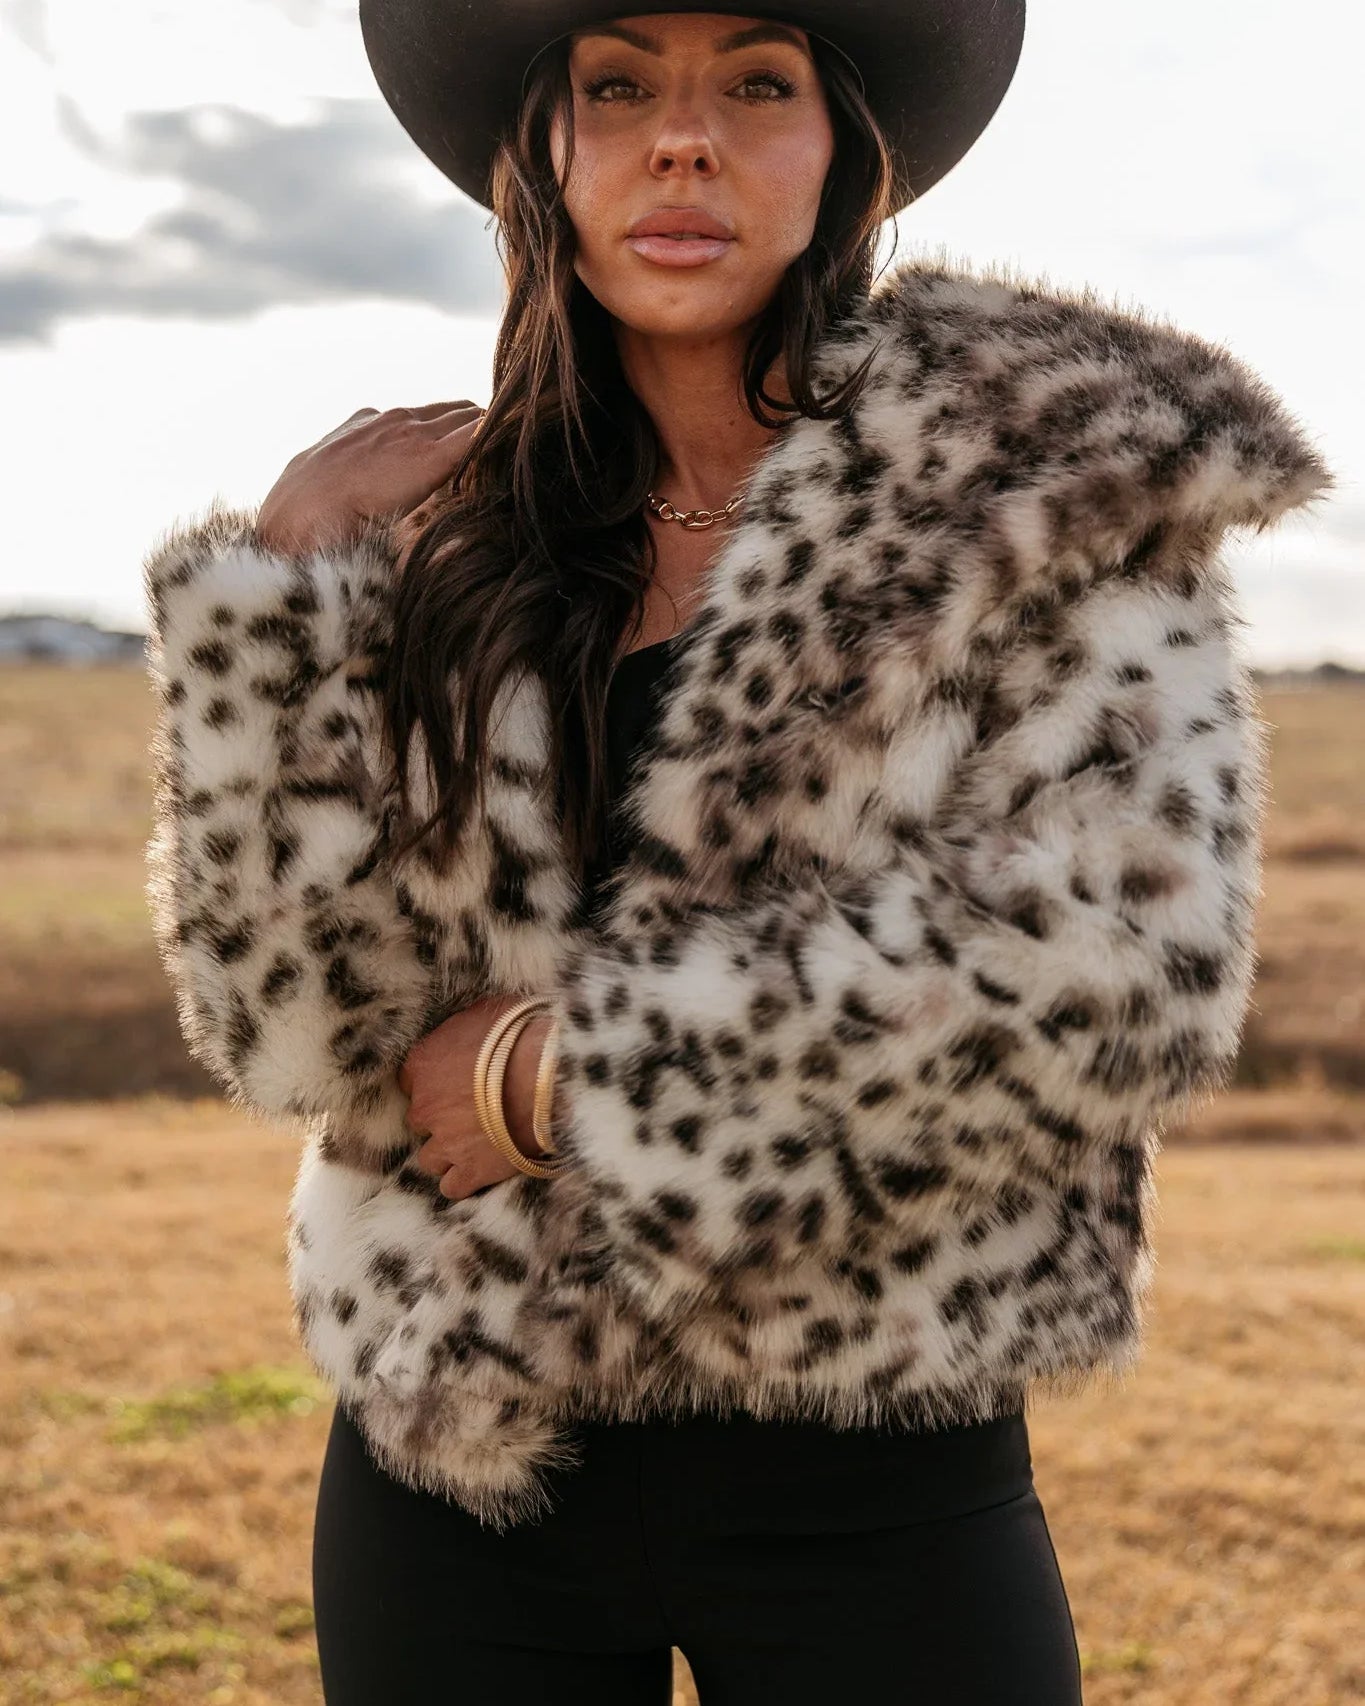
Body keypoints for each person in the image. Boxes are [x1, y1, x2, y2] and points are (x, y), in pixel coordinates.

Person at [140, 2, 1330, 1701]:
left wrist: (566, 1075)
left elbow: (1113, 974)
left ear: (845, 159)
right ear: (545, 160)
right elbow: (293, 1028)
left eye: (756, 85)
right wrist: (278, 602)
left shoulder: (1032, 499)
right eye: (618, 85)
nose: (682, 140)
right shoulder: (453, 547)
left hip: (872, 1453)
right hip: (460, 1447)